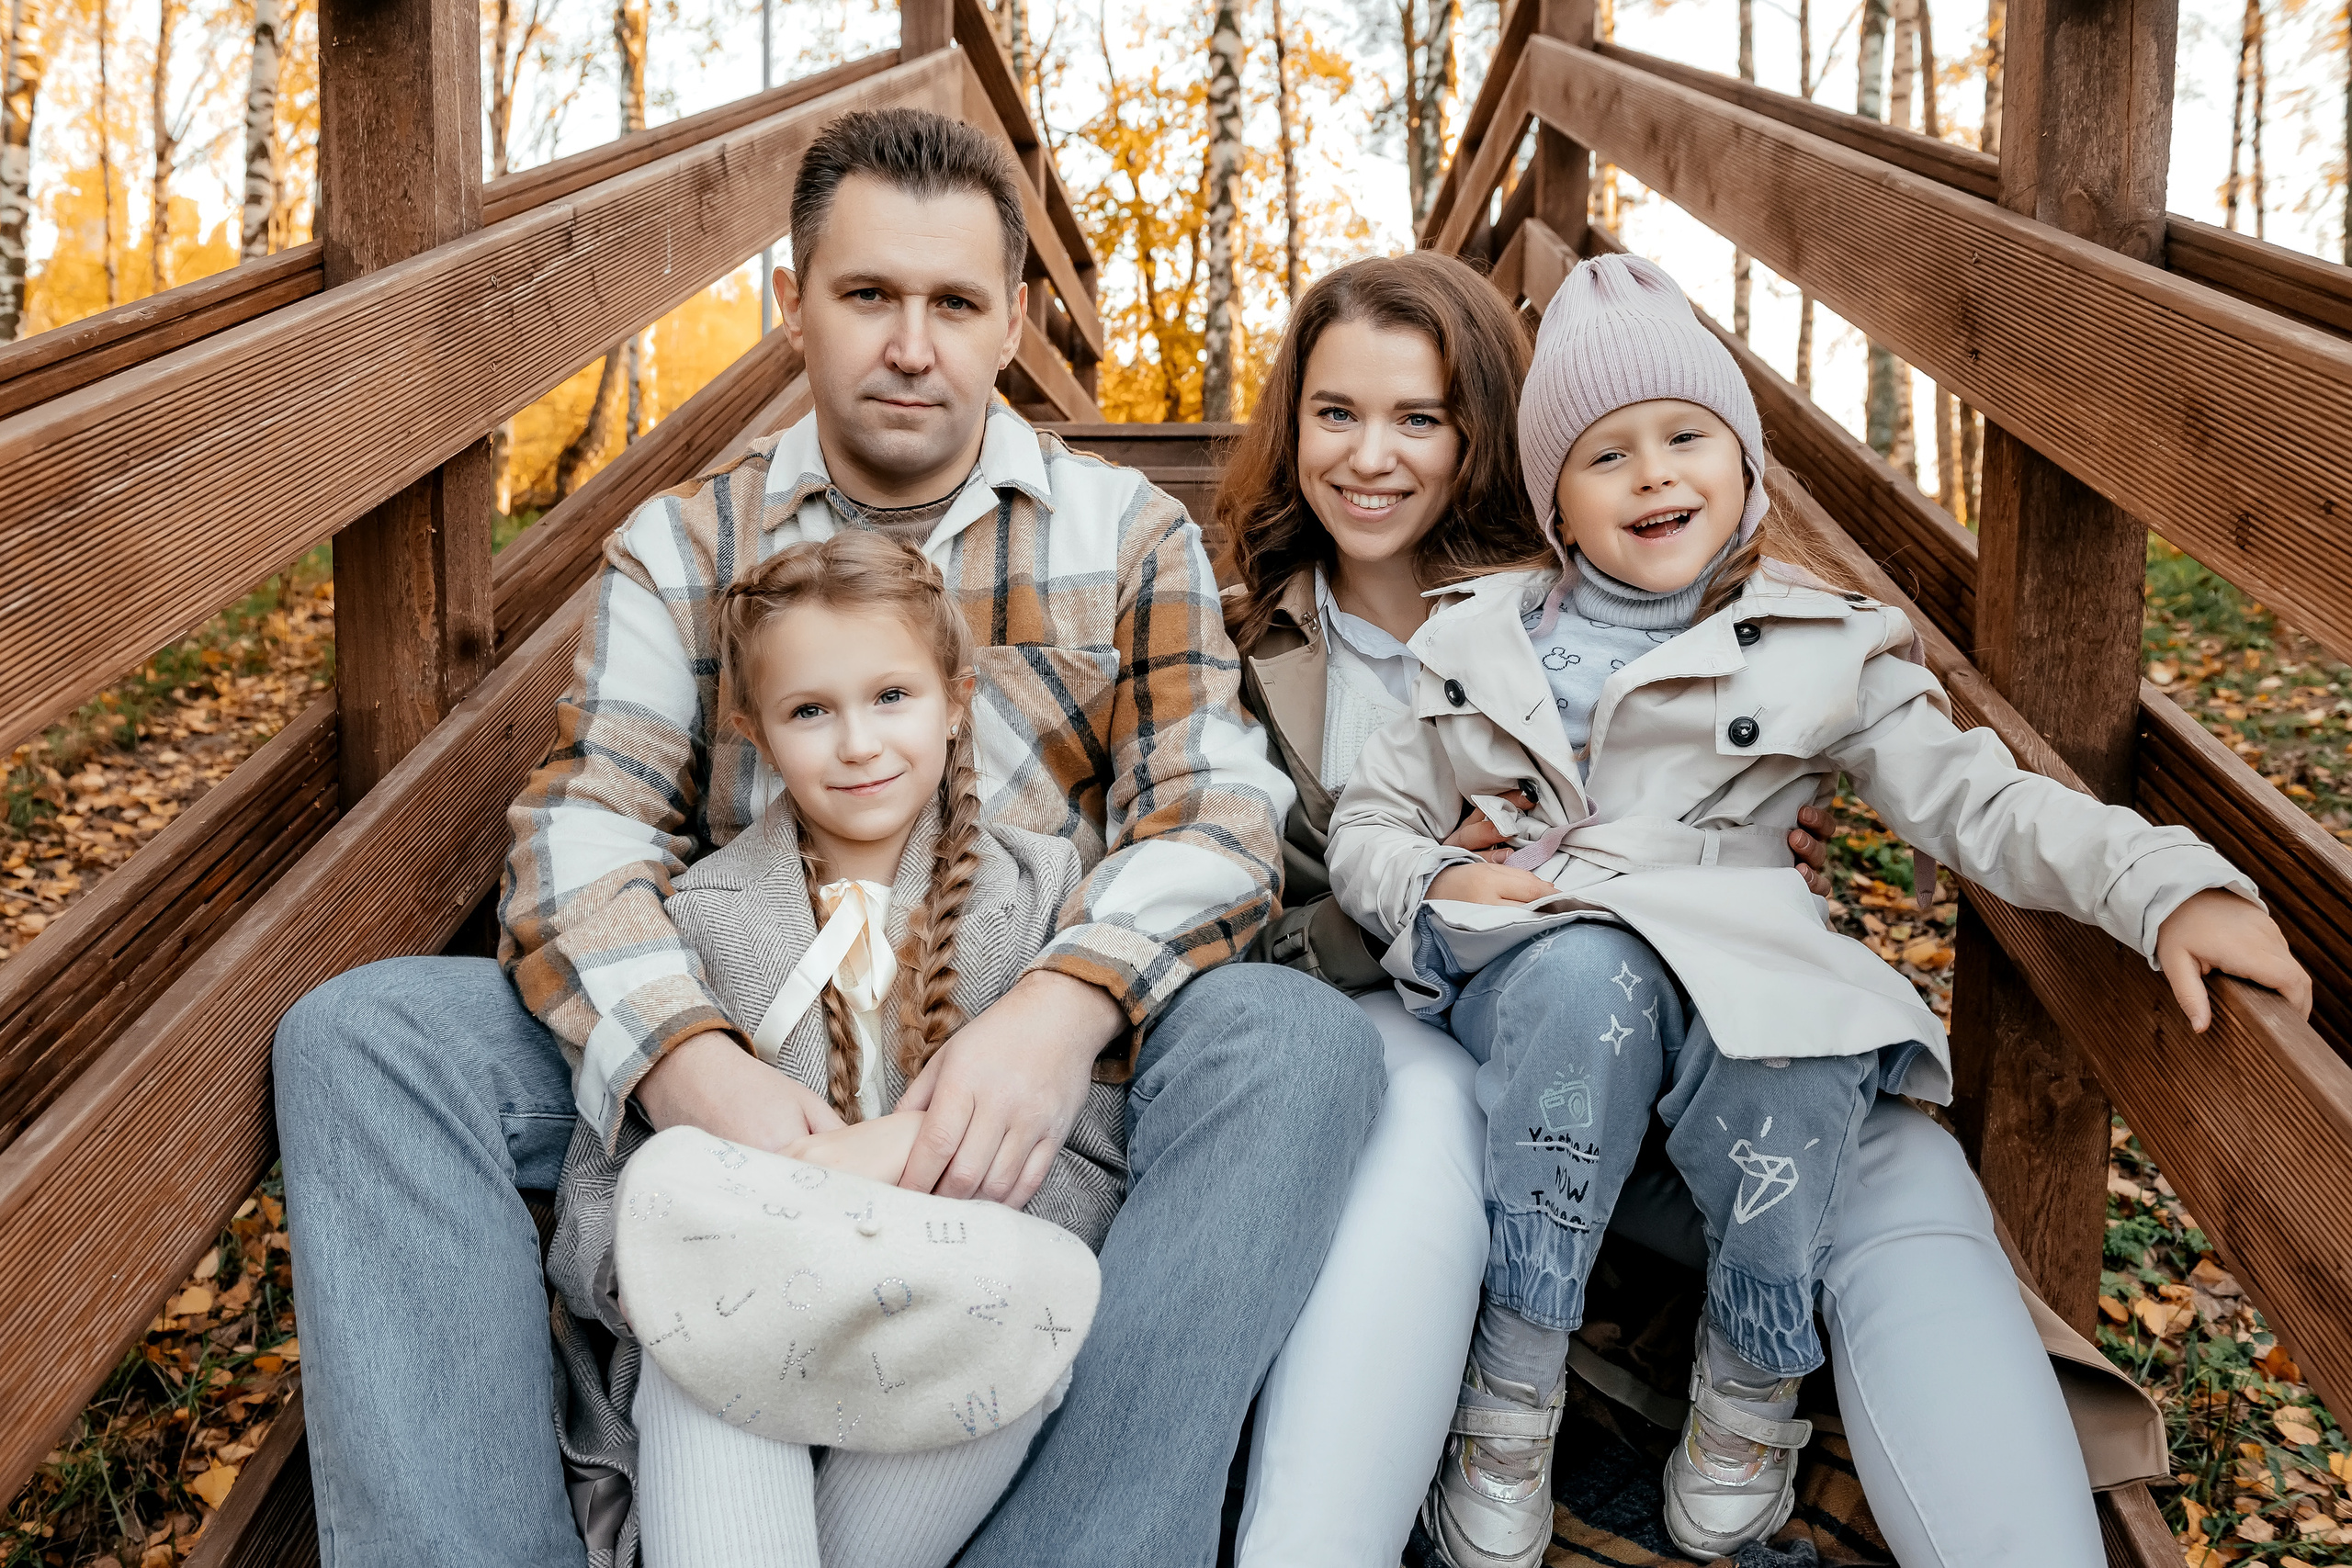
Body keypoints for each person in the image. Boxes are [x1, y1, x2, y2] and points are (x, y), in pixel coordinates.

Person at [273, 107, 1383, 1568]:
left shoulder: (1125, 534)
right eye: (867, 295)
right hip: (758, 1040)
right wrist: (691, 1063)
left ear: (1014, 324)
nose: (910, 344)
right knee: (367, 1035)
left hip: (1024, 1078)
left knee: (1300, 1044)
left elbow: (1220, 813)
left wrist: (1059, 1011)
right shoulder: (689, 546)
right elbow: (583, 822)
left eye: (953, 303)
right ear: (790, 303)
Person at [1324, 253, 2312, 1567]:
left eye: (1689, 437)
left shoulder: (1817, 645)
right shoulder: (1473, 640)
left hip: (1741, 974)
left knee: (1803, 1034)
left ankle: (1750, 1378)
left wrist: (2160, 881)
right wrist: (1440, 879)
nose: (1657, 475)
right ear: (1553, 497)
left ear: (1744, 465)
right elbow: (1368, 825)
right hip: (1549, 965)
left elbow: (1980, 797)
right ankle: (1512, 1389)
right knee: (1586, 983)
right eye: (1606, 455)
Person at [1214, 250, 1834, 1565]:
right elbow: (1231, 928)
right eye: (1335, 413)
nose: (1370, 456)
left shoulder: (1585, 606)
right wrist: (1423, 887)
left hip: (1614, 1028)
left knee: (1862, 1167)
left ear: (1487, 431)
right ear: (1292, 425)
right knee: (1424, 1117)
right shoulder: (1237, 646)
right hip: (1387, 1027)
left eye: (1420, 417)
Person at [541, 533, 1124, 1567]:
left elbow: (1085, 1168)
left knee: (1039, 1298)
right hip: (735, 1338)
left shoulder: (1042, 897)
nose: (857, 743)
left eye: (890, 696)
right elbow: (603, 1191)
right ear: (756, 733)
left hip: (945, 1331)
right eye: (811, 710)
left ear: (955, 702)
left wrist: (871, 1166)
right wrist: (670, 1263)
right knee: (681, 1211)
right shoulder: (700, 918)